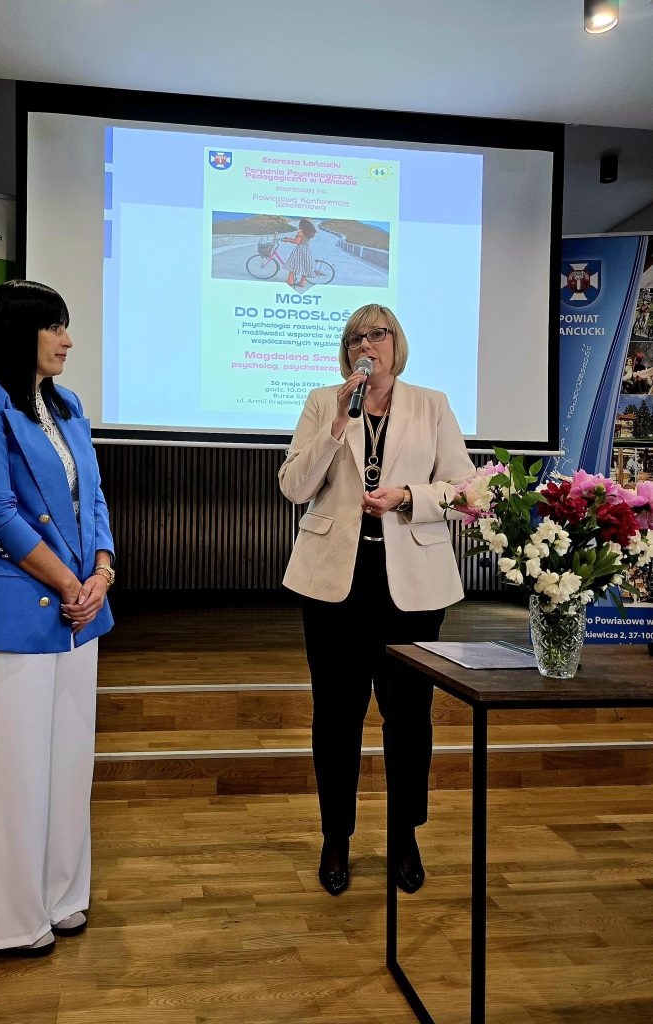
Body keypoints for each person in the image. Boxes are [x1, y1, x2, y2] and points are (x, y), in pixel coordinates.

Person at [279, 303, 474, 897]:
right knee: (336, 719)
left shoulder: (431, 403)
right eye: (355, 337)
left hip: (410, 588)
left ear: (396, 343)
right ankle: (335, 837)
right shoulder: (323, 402)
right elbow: (294, 486)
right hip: (334, 583)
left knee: (408, 719)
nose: (366, 344)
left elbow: (466, 489)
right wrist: (338, 424)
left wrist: (408, 495)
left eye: (377, 333)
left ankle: (403, 836)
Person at [0, 279, 115, 957]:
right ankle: (11, 922)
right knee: (13, 773)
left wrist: (102, 574)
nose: (68, 340)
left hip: (81, 611)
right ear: (21, 332)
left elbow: (95, 498)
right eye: (56, 327)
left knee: (68, 766)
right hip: (14, 611)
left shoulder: (67, 405)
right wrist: (71, 579)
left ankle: (62, 897)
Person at [284, 218, 317, 288]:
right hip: (307, 250)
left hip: (300, 250)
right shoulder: (308, 232)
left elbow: (296, 242)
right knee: (306, 266)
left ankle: (290, 281)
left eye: (300, 224)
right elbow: (300, 240)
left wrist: (288, 240)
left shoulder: (301, 232)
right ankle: (302, 283)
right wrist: (289, 238)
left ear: (302, 225)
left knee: (294, 265)